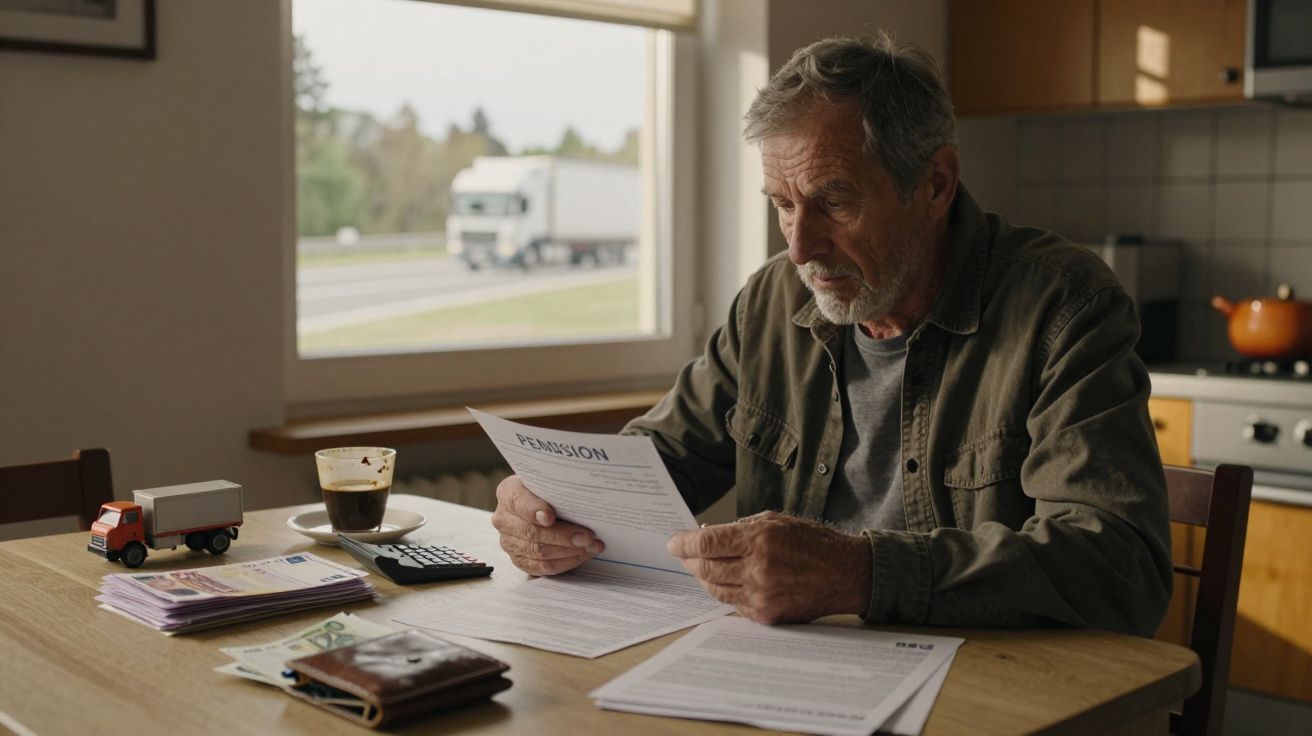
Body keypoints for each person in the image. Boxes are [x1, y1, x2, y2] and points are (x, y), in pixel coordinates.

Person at [491, 34, 1173, 637]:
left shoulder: (1064, 306)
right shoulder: (770, 300)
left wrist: (863, 572)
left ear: (935, 184)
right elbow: (660, 458)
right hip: (787, 673)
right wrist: (553, 506)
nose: (799, 247)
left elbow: (1118, 563)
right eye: (783, 205)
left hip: (986, 687)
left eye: (834, 202)